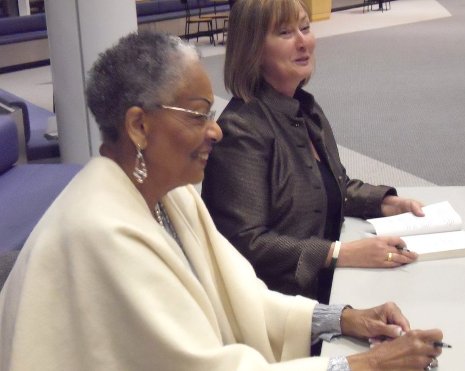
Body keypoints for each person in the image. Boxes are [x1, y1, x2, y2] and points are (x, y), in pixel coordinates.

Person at [0, 31, 442, 371]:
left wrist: (345, 318)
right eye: (198, 114)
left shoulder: (170, 196)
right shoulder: (102, 234)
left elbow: (245, 298)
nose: (215, 130)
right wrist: (360, 364)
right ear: (138, 126)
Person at [201, 0, 424, 303]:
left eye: (304, 28)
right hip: (282, 307)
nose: (303, 41)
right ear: (253, 49)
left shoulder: (304, 108)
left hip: (328, 287)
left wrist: (385, 203)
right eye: (284, 33)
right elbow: (245, 243)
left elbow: (332, 185)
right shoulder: (242, 131)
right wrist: (338, 253)